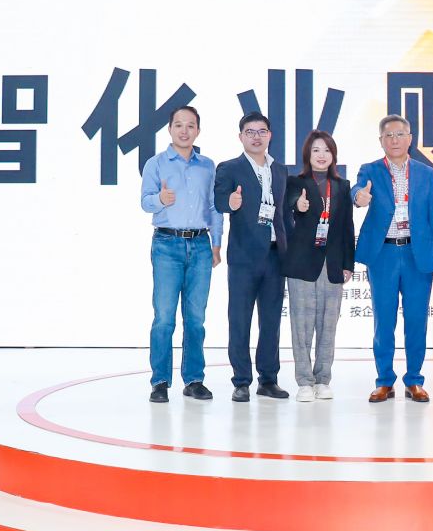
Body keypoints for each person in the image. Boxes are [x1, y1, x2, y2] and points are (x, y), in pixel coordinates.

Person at [353, 115, 433, 403]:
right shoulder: (370, 170)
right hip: (384, 255)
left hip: (418, 254)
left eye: (400, 134)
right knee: (384, 320)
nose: (394, 140)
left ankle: (414, 380)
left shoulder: (426, 173)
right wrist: (359, 197)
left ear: (410, 138)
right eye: (388, 135)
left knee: (416, 320)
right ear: (381, 140)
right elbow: (357, 190)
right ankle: (384, 381)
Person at [139, 105, 221, 403]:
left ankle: (194, 379)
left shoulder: (208, 166)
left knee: (196, 318)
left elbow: (214, 207)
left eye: (190, 125)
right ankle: (160, 381)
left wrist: (216, 243)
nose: (184, 131)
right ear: (170, 129)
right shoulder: (156, 164)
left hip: (200, 245)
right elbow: (145, 202)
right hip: (167, 244)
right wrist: (160, 199)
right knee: (164, 317)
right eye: (178, 125)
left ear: (198, 130)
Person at [214, 112, 290, 402]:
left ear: (270, 135)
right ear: (240, 137)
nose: (256, 137)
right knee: (240, 319)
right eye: (250, 132)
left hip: (275, 256)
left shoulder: (280, 170)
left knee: (271, 321)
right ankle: (241, 381)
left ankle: (268, 379)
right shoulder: (229, 168)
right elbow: (218, 201)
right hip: (244, 257)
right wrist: (230, 202)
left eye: (261, 131)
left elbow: (283, 213)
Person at [282, 130, 356, 402]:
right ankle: (304, 382)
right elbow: (288, 207)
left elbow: (347, 227)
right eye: (316, 150)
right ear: (307, 155)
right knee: (301, 325)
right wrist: (297, 205)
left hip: (332, 263)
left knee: (328, 325)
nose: (321, 155)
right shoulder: (295, 182)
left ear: (333, 155)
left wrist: (348, 263)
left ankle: (323, 379)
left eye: (326, 150)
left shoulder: (342, 186)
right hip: (301, 263)